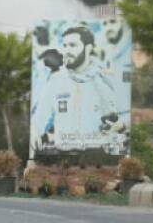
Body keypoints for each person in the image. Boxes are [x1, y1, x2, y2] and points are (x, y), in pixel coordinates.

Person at [31, 24, 126, 154]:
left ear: (88, 49)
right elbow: (38, 120)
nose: (67, 51)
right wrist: (34, 131)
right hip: (62, 160)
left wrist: (121, 124)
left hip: (99, 158)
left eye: (73, 45)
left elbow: (126, 113)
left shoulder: (105, 80)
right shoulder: (56, 80)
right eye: (65, 46)